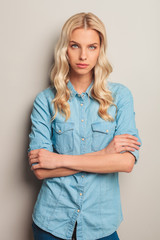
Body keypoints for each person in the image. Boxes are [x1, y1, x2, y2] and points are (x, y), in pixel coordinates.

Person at [28, 12, 142, 240]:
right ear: (64, 50)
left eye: (92, 47)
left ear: (100, 50)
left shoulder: (120, 97)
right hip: (51, 222)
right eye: (74, 46)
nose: (83, 55)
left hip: (100, 223)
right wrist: (104, 155)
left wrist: (58, 160)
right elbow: (41, 169)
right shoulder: (45, 101)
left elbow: (127, 162)